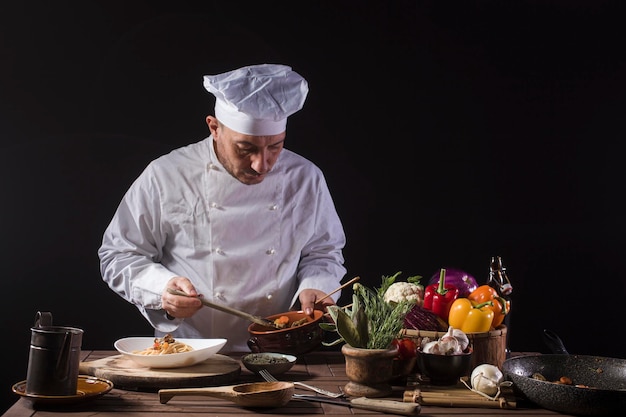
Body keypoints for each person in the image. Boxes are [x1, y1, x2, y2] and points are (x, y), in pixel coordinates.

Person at [98, 64, 347, 352]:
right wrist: (160, 289)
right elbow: (118, 253)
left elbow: (323, 251)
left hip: (280, 352)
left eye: (275, 147)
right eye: (246, 149)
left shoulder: (305, 178)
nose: (262, 165)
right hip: (190, 353)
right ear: (214, 128)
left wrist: (317, 285)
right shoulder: (167, 175)